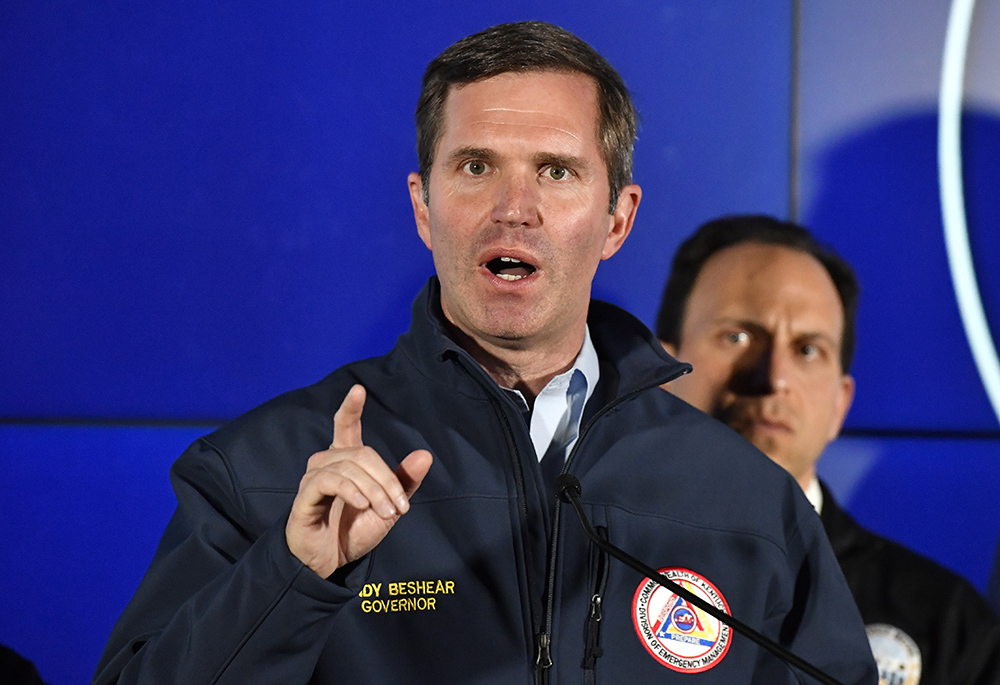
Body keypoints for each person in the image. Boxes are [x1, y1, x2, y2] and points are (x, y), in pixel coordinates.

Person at [95, 24, 876, 683]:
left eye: (557, 171)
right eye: (476, 167)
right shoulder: (264, 472)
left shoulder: (747, 502)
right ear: (423, 206)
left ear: (616, 219)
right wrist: (293, 575)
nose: (515, 208)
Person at [656, 214, 1000, 684]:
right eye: (737, 337)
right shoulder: (578, 568)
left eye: (807, 350)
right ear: (660, 372)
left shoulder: (945, 621)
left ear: (841, 404)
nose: (773, 378)